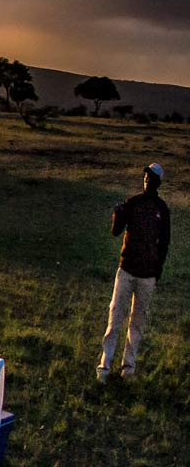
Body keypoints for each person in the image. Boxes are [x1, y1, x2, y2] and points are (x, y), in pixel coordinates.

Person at [100, 163, 170, 383]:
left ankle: (128, 368)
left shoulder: (162, 209)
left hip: (147, 275)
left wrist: (157, 272)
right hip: (127, 270)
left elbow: (164, 244)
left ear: (158, 183)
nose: (147, 180)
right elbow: (116, 231)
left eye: (152, 178)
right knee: (115, 319)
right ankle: (104, 366)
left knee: (136, 323)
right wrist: (117, 214)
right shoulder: (132, 203)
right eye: (146, 176)